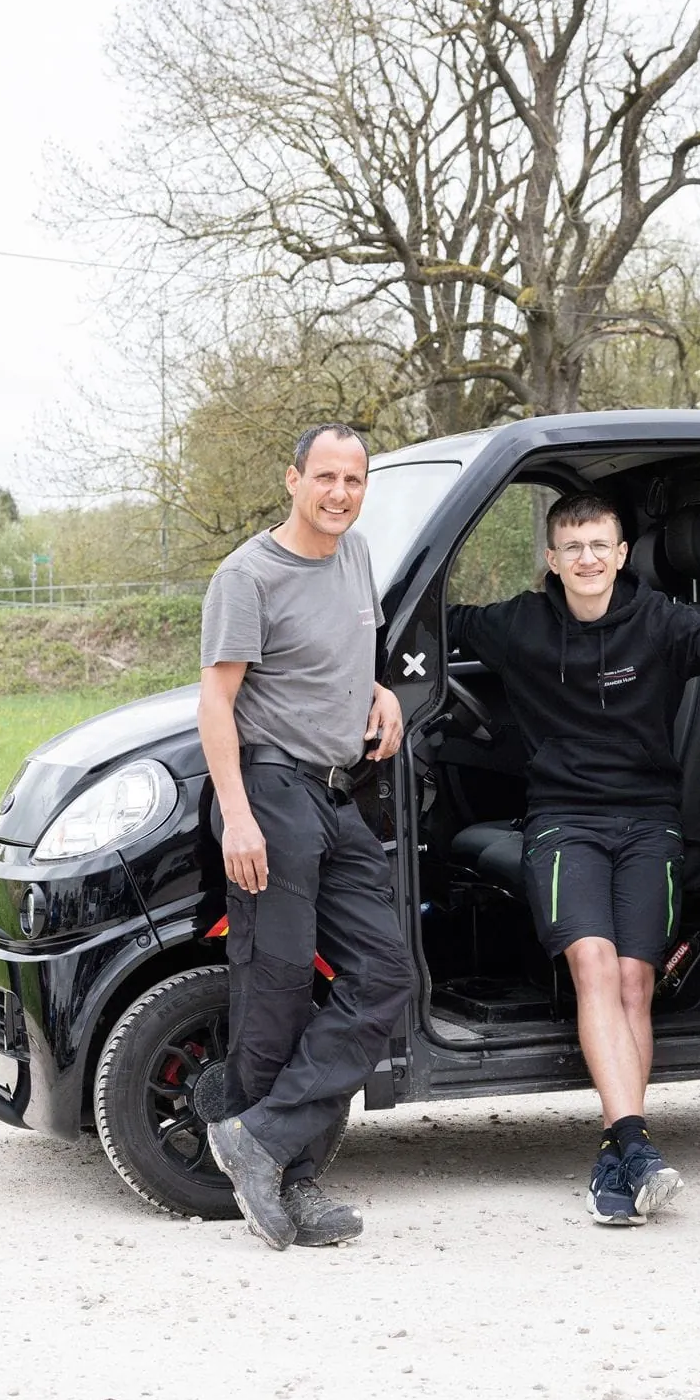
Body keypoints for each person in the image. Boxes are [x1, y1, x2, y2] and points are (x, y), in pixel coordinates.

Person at [447, 492, 700, 1225]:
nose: (587, 558)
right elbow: (428, 626)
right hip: (563, 823)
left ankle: (619, 1153)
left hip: (649, 823)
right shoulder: (519, 624)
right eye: (573, 546)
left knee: (632, 978)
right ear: (551, 560)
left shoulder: (657, 619)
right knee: (593, 961)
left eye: (600, 544)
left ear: (621, 554)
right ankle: (635, 1145)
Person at [197, 422, 414, 1251]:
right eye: (325, 477)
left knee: (385, 976)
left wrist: (383, 691)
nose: (339, 493)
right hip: (270, 790)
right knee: (278, 988)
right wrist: (238, 812)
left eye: (353, 480)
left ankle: (263, 1139)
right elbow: (217, 702)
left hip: (335, 792)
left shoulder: (354, 555)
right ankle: (292, 1181)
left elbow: (348, 653)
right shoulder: (248, 575)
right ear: (292, 480)